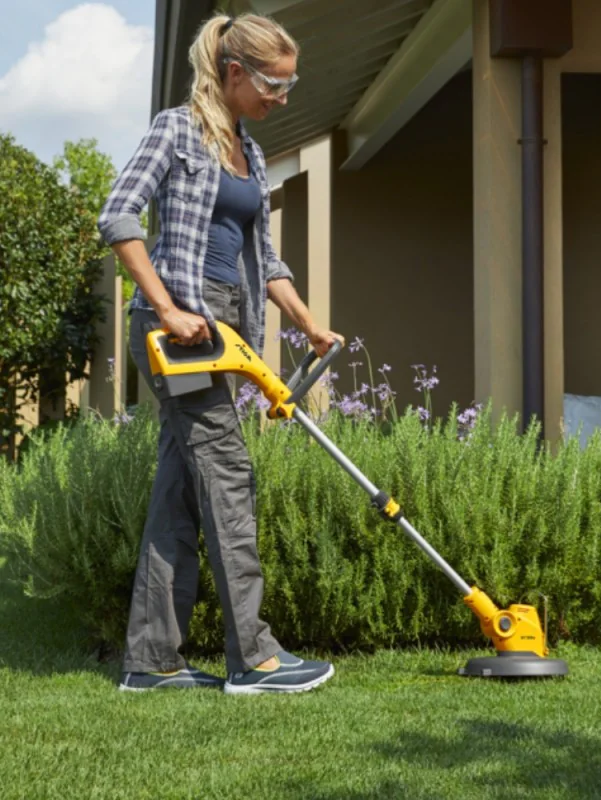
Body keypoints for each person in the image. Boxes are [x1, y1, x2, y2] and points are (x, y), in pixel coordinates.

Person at [98, 13, 344, 695]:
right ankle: (256, 659)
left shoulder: (252, 150)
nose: (282, 97)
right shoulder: (175, 129)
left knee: (179, 489)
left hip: (225, 330)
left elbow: (266, 260)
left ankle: (151, 661)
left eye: (290, 85)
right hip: (174, 331)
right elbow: (119, 215)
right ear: (234, 72)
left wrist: (308, 324)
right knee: (229, 475)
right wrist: (171, 306)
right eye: (274, 84)